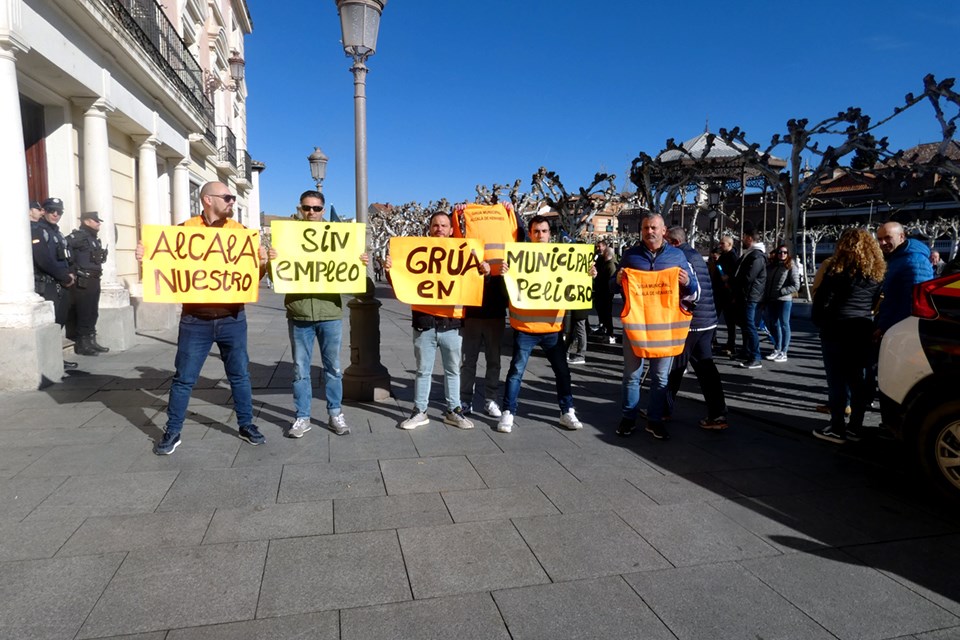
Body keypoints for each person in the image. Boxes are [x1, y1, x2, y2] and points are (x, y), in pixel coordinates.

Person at [137, 182, 270, 455]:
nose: (232, 202)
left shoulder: (241, 233)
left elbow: (253, 279)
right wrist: (144, 258)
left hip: (233, 318)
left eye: (233, 198)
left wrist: (263, 263)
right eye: (227, 198)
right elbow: (164, 264)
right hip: (194, 320)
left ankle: (246, 424)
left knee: (240, 376)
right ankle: (173, 430)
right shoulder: (184, 230)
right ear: (208, 200)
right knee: (184, 378)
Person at [271, 190, 367, 438]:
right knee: (300, 370)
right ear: (299, 209)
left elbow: (355, 280)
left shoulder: (338, 238)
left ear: (323, 210)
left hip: (329, 313)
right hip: (299, 313)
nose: (311, 212)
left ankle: (335, 413)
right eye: (307, 207)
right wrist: (272, 262)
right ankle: (302, 417)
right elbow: (276, 278)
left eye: (316, 208)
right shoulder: (287, 237)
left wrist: (360, 263)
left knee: (333, 368)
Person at [498, 215, 594, 434]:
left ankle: (567, 411)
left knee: (562, 372)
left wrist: (588, 275)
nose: (540, 235)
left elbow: (575, 286)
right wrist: (505, 276)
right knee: (516, 372)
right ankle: (508, 412)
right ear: (530, 234)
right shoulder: (517, 258)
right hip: (525, 329)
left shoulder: (562, 258)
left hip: (553, 328)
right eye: (536, 231)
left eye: (544, 231)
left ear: (550, 234)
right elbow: (508, 294)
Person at [386, 211, 481, 430]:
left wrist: (483, 270)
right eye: (435, 225)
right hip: (425, 323)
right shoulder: (418, 251)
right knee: (423, 370)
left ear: (450, 229)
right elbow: (403, 284)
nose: (439, 229)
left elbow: (473, 282)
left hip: (452, 323)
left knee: (453, 370)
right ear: (430, 228)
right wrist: (391, 271)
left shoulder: (463, 253)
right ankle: (419, 411)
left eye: (444, 225)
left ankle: (453, 410)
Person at [615, 214, 698, 441]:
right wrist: (618, 278)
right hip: (636, 326)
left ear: (664, 231)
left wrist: (686, 282)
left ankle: (655, 420)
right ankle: (628, 418)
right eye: (645, 228)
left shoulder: (677, 256)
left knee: (660, 378)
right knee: (631, 375)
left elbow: (694, 289)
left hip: (665, 327)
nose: (649, 231)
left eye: (653, 227)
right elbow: (615, 285)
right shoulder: (630, 256)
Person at [811, 228, 885, 443]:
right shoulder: (876, 272)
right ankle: (855, 427)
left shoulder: (836, 269)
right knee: (856, 381)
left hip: (836, 329)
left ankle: (837, 427)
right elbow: (874, 302)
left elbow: (823, 300)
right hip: (862, 328)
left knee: (836, 382)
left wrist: (820, 322)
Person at [454, 201, 525, 418]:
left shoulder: (507, 257)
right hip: (472, 313)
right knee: (468, 362)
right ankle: (465, 400)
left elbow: (522, 237)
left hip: (495, 312)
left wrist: (514, 213)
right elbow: (453, 242)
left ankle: (490, 399)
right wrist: (455, 214)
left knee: (494, 360)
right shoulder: (468, 253)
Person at [664, 227, 728, 429]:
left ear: (674, 242)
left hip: (690, 321)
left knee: (673, 368)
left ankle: (662, 411)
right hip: (706, 321)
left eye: (666, 241)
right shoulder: (695, 255)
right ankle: (718, 414)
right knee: (706, 368)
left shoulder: (679, 256)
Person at [32, 197, 78, 370]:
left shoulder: (57, 233)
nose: (55, 214)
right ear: (43, 211)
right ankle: (48, 362)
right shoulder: (37, 230)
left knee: (59, 322)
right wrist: (64, 277)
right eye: (51, 210)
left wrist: (71, 273)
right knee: (51, 323)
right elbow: (42, 259)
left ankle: (56, 358)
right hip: (49, 284)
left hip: (62, 284)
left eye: (59, 211)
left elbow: (67, 257)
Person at [875, 221, 934, 338]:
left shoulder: (914, 260)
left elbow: (913, 302)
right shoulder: (895, 258)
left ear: (901, 236)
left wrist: (887, 327)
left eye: (887, 237)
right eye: (880, 239)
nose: (883, 243)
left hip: (902, 331)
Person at [67, 211, 110, 356]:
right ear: (86, 221)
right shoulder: (78, 237)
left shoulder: (93, 238)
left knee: (93, 311)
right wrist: (73, 271)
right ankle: (82, 344)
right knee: (84, 311)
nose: (99, 223)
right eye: (95, 220)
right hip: (83, 280)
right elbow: (66, 250)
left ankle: (91, 340)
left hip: (94, 279)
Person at [732, 225, 766, 369]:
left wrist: (735, 281)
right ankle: (746, 351)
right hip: (745, 295)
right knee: (745, 325)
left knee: (750, 325)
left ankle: (755, 356)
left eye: (745, 237)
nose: (742, 239)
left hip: (750, 296)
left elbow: (748, 277)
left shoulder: (757, 255)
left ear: (750, 238)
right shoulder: (750, 253)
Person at [762, 244, 800, 362]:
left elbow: (796, 285)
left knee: (784, 324)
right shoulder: (772, 266)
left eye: (785, 252)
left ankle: (784, 351)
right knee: (773, 324)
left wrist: (782, 291)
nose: (782, 254)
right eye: (780, 252)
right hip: (771, 300)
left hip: (784, 300)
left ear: (788, 254)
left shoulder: (791, 266)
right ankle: (777, 348)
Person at [714, 234, 739, 356]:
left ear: (729, 244)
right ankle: (713, 341)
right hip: (719, 292)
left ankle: (731, 345)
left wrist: (728, 277)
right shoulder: (722, 256)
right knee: (714, 318)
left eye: (722, 243)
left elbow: (735, 275)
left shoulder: (733, 257)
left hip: (727, 293)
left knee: (730, 321)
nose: (720, 245)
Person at [592, 239, 617, 341]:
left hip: (605, 293)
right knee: (601, 311)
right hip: (600, 291)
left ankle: (609, 333)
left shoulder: (611, 265)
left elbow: (610, 282)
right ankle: (603, 328)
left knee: (607, 312)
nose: (601, 252)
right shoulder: (603, 261)